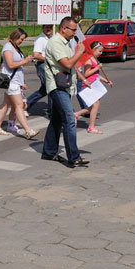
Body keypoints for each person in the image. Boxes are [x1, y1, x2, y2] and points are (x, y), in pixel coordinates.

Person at [40, 16, 89, 166]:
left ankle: (49, 152)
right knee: (69, 120)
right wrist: (79, 52)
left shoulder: (67, 42)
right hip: (57, 86)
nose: (75, 32)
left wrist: (81, 77)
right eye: (73, 29)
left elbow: (72, 65)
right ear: (64, 28)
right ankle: (74, 157)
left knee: (56, 119)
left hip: (66, 85)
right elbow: (67, 63)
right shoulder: (55, 42)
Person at [0, 28, 39, 139]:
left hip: (16, 82)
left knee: (6, 105)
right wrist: (25, 61)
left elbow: (18, 67)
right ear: (15, 36)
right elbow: (11, 65)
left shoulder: (15, 48)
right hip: (11, 82)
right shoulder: (8, 47)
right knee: (19, 105)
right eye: (21, 39)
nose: (21, 41)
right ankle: (28, 130)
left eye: (23, 39)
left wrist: (22, 82)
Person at [74, 41, 114, 134]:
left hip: (95, 84)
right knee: (95, 105)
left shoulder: (95, 60)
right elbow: (86, 74)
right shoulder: (89, 60)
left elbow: (96, 76)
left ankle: (76, 115)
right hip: (88, 85)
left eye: (101, 51)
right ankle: (91, 127)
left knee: (93, 106)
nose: (101, 53)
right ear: (93, 50)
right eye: (99, 51)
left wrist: (106, 81)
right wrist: (97, 68)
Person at [25, 24, 54, 114]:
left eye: (50, 27)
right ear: (42, 28)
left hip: (49, 65)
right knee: (50, 88)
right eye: (46, 27)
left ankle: (26, 104)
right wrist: (49, 60)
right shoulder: (40, 39)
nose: (48, 29)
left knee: (45, 89)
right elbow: (36, 55)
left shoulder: (51, 38)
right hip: (42, 65)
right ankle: (52, 111)